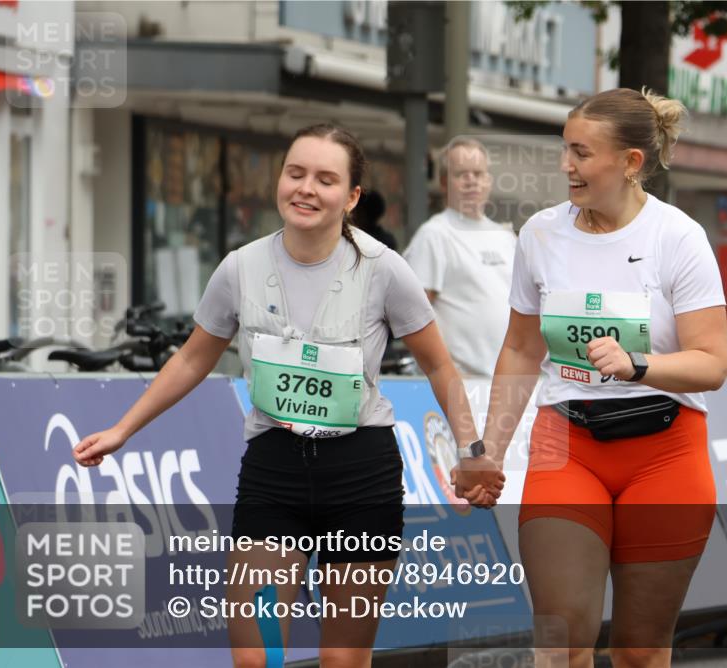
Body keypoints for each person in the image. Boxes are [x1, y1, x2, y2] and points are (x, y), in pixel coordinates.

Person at [72, 123, 502, 668]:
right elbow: (193, 357)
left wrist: (470, 450)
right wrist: (122, 429)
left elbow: (439, 364)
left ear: (351, 197)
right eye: (295, 173)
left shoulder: (384, 270)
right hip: (274, 471)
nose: (305, 188)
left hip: (361, 474)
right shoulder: (240, 267)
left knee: (343, 661)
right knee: (257, 657)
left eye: (325, 179)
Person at [457, 89, 727, 668]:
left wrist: (640, 364)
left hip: (665, 453)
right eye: (565, 149)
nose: (566, 165)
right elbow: (522, 348)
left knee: (639, 651)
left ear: (631, 162)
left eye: (581, 153)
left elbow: (712, 362)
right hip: (567, 445)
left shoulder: (677, 237)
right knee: (560, 642)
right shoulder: (540, 234)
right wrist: (489, 452)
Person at [404, 137, 517, 377]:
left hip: (508, 381)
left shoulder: (506, 238)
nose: (471, 180)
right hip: (460, 382)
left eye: (478, 173)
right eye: (461, 174)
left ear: (488, 181)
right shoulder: (434, 235)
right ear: (444, 183)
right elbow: (410, 316)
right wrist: (444, 372)